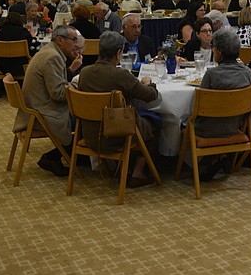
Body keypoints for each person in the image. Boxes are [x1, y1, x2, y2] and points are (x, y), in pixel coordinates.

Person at [78, 31, 161, 187]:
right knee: (155, 122)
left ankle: (123, 167)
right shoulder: (120, 75)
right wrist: (148, 82)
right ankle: (138, 172)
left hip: (90, 135)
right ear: (118, 53)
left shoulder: (84, 73)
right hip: (118, 136)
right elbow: (150, 96)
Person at [11, 25, 83, 177]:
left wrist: (70, 70)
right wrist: (77, 85)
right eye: (73, 40)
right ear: (60, 40)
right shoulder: (53, 57)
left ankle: (74, 155)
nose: (76, 44)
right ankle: (57, 156)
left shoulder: (48, 51)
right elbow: (57, 93)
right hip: (44, 113)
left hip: (34, 108)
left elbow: (53, 81)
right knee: (88, 118)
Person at [195, 28, 251, 181]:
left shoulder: (212, 75)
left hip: (207, 131)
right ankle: (218, 158)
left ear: (219, 52)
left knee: (182, 122)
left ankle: (198, 162)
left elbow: (199, 107)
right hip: (234, 126)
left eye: (214, 48)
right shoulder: (247, 72)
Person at [0, 11, 35, 86]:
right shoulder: (24, 32)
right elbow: (32, 46)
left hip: (3, 66)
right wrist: (33, 35)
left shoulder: (0, 34)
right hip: (21, 66)